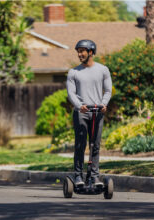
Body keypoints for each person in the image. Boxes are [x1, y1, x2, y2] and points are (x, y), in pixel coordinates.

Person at [66, 40, 112, 186]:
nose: (79, 54)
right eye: (78, 51)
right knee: (80, 144)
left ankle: (94, 176)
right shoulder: (73, 72)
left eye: (82, 51)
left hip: (97, 112)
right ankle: (78, 176)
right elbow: (71, 93)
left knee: (95, 145)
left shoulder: (103, 70)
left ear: (91, 52)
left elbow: (108, 90)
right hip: (81, 111)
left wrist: (104, 104)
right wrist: (80, 105)